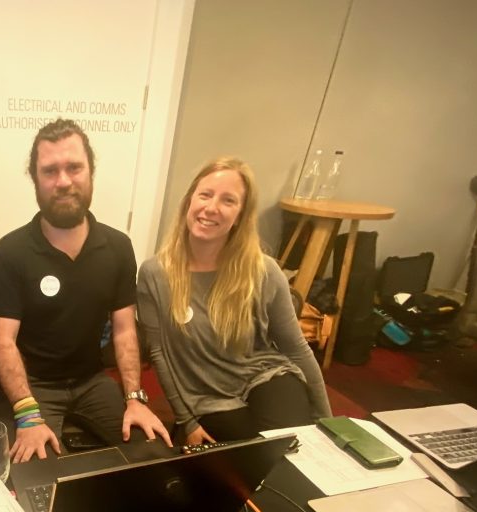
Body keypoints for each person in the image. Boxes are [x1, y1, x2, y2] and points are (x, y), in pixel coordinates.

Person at [0, 118, 171, 463]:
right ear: (35, 179)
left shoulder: (118, 247)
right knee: (34, 476)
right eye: (50, 171)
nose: (63, 181)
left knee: (155, 454)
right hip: (34, 384)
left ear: (90, 172)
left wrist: (135, 398)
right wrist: (28, 416)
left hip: (91, 382)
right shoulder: (11, 252)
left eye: (74, 167)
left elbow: (124, 330)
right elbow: (2, 342)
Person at [137, 156, 332, 444]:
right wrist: (187, 421)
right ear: (190, 200)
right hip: (206, 397)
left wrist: (328, 424)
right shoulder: (155, 273)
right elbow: (159, 355)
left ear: (241, 214)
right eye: (205, 195)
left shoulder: (263, 270)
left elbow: (296, 348)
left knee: (294, 447)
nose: (212, 208)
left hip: (267, 375)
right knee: (250, 460)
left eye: (228, 200)